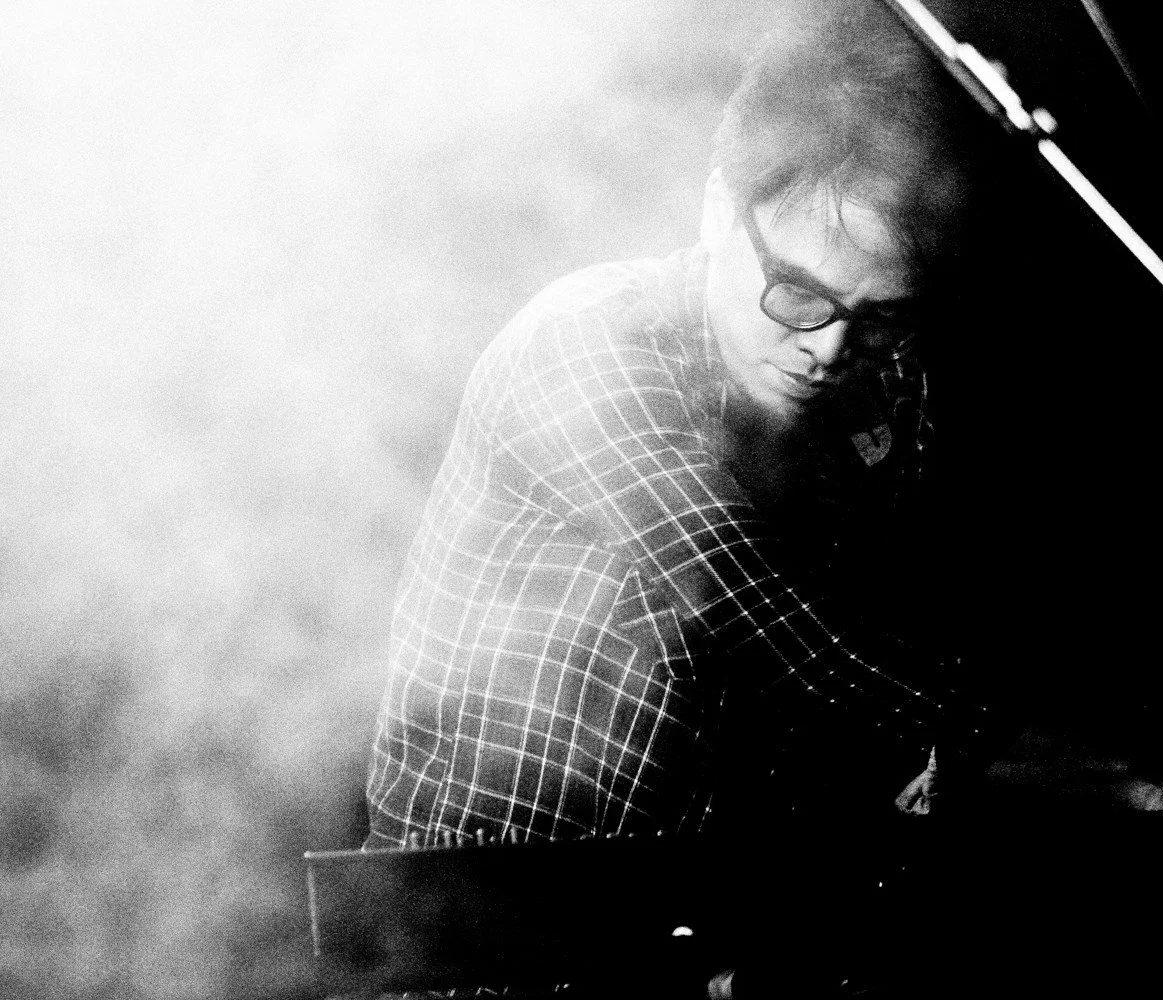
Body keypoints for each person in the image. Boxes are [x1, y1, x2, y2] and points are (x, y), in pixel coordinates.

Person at [364, 0, 995, 851]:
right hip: (473, 903)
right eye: (799, 293)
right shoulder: (586, 343)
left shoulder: (882, 389)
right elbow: (759, 610)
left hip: (694, 899)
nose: (829, 348)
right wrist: (966, 728)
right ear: (718, 211)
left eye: (877, 315)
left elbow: (923, 627)